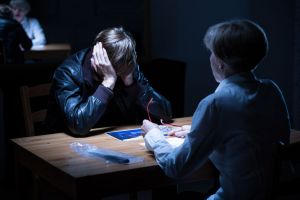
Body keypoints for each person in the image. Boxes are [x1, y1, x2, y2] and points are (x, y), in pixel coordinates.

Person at [141, 19, 291, 200]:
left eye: (212, 52)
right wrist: (200, 132)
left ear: (221, 63)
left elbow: (176, 167)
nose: (210, 57)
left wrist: (154, 134)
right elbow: (251, 136)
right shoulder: (271, 90)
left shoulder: (216, 104)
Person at [44, 26, 172, 136]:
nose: (119, 75)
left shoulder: (127, 67)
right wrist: (108, 82)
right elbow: (78, 125)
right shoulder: (68, 72)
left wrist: (130, 83)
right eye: (116, 72)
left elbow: (166, 113)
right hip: (64, 146)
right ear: (99, 60)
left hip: (112, 140)